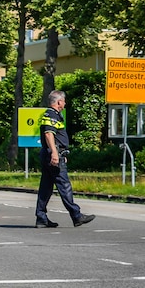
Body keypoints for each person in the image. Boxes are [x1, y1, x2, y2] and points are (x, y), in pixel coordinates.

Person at [35, 90, 95, 228]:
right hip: (52, 155)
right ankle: (76, 215)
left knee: (46, 188)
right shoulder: (51, 114)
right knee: (64, 186)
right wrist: (55, 154)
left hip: (50, 154)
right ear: (59, 102)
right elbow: (49, 134)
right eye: (63, 101)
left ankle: (41, 218)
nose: (65, 103)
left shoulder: (51, 114)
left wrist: (61, 154)